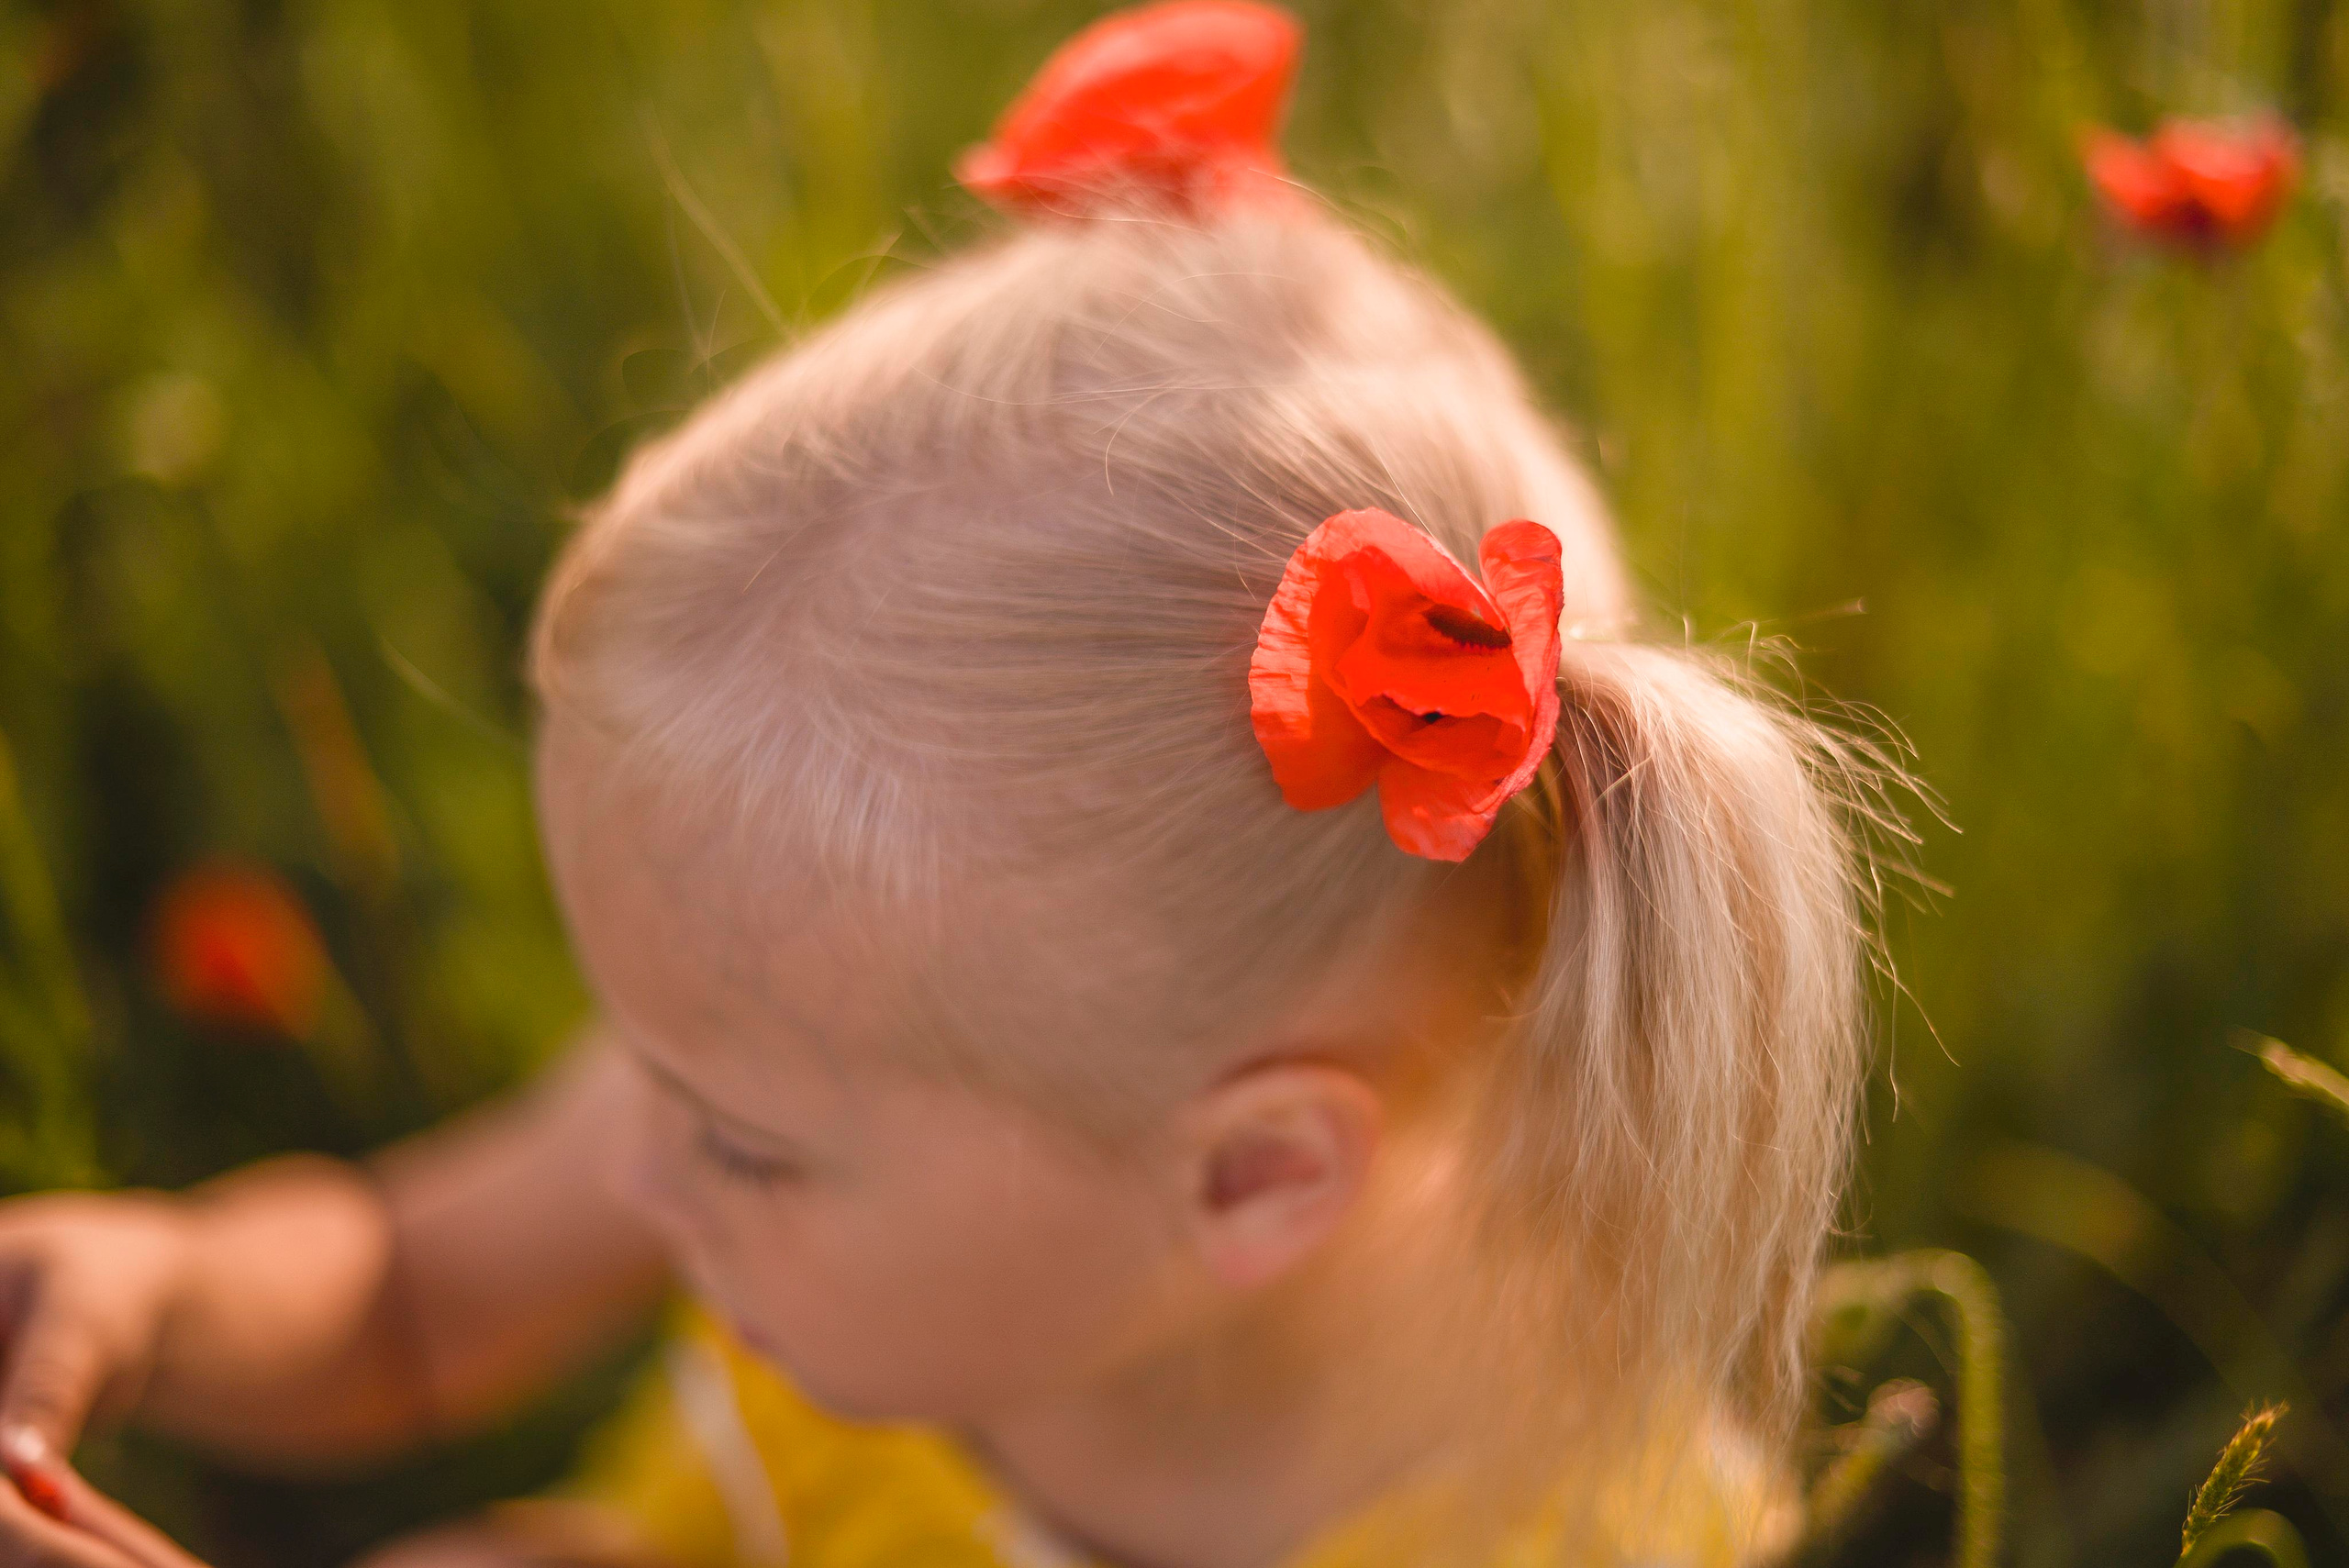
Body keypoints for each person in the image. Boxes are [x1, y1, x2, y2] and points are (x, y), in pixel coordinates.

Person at [0, 5, 1893, 1564]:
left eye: (733, 1139)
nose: (640, 1173)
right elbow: (414, 1296)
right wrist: (156, 1291)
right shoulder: (810, 1067)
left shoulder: (1548, 1536)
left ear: (1247, 1176)